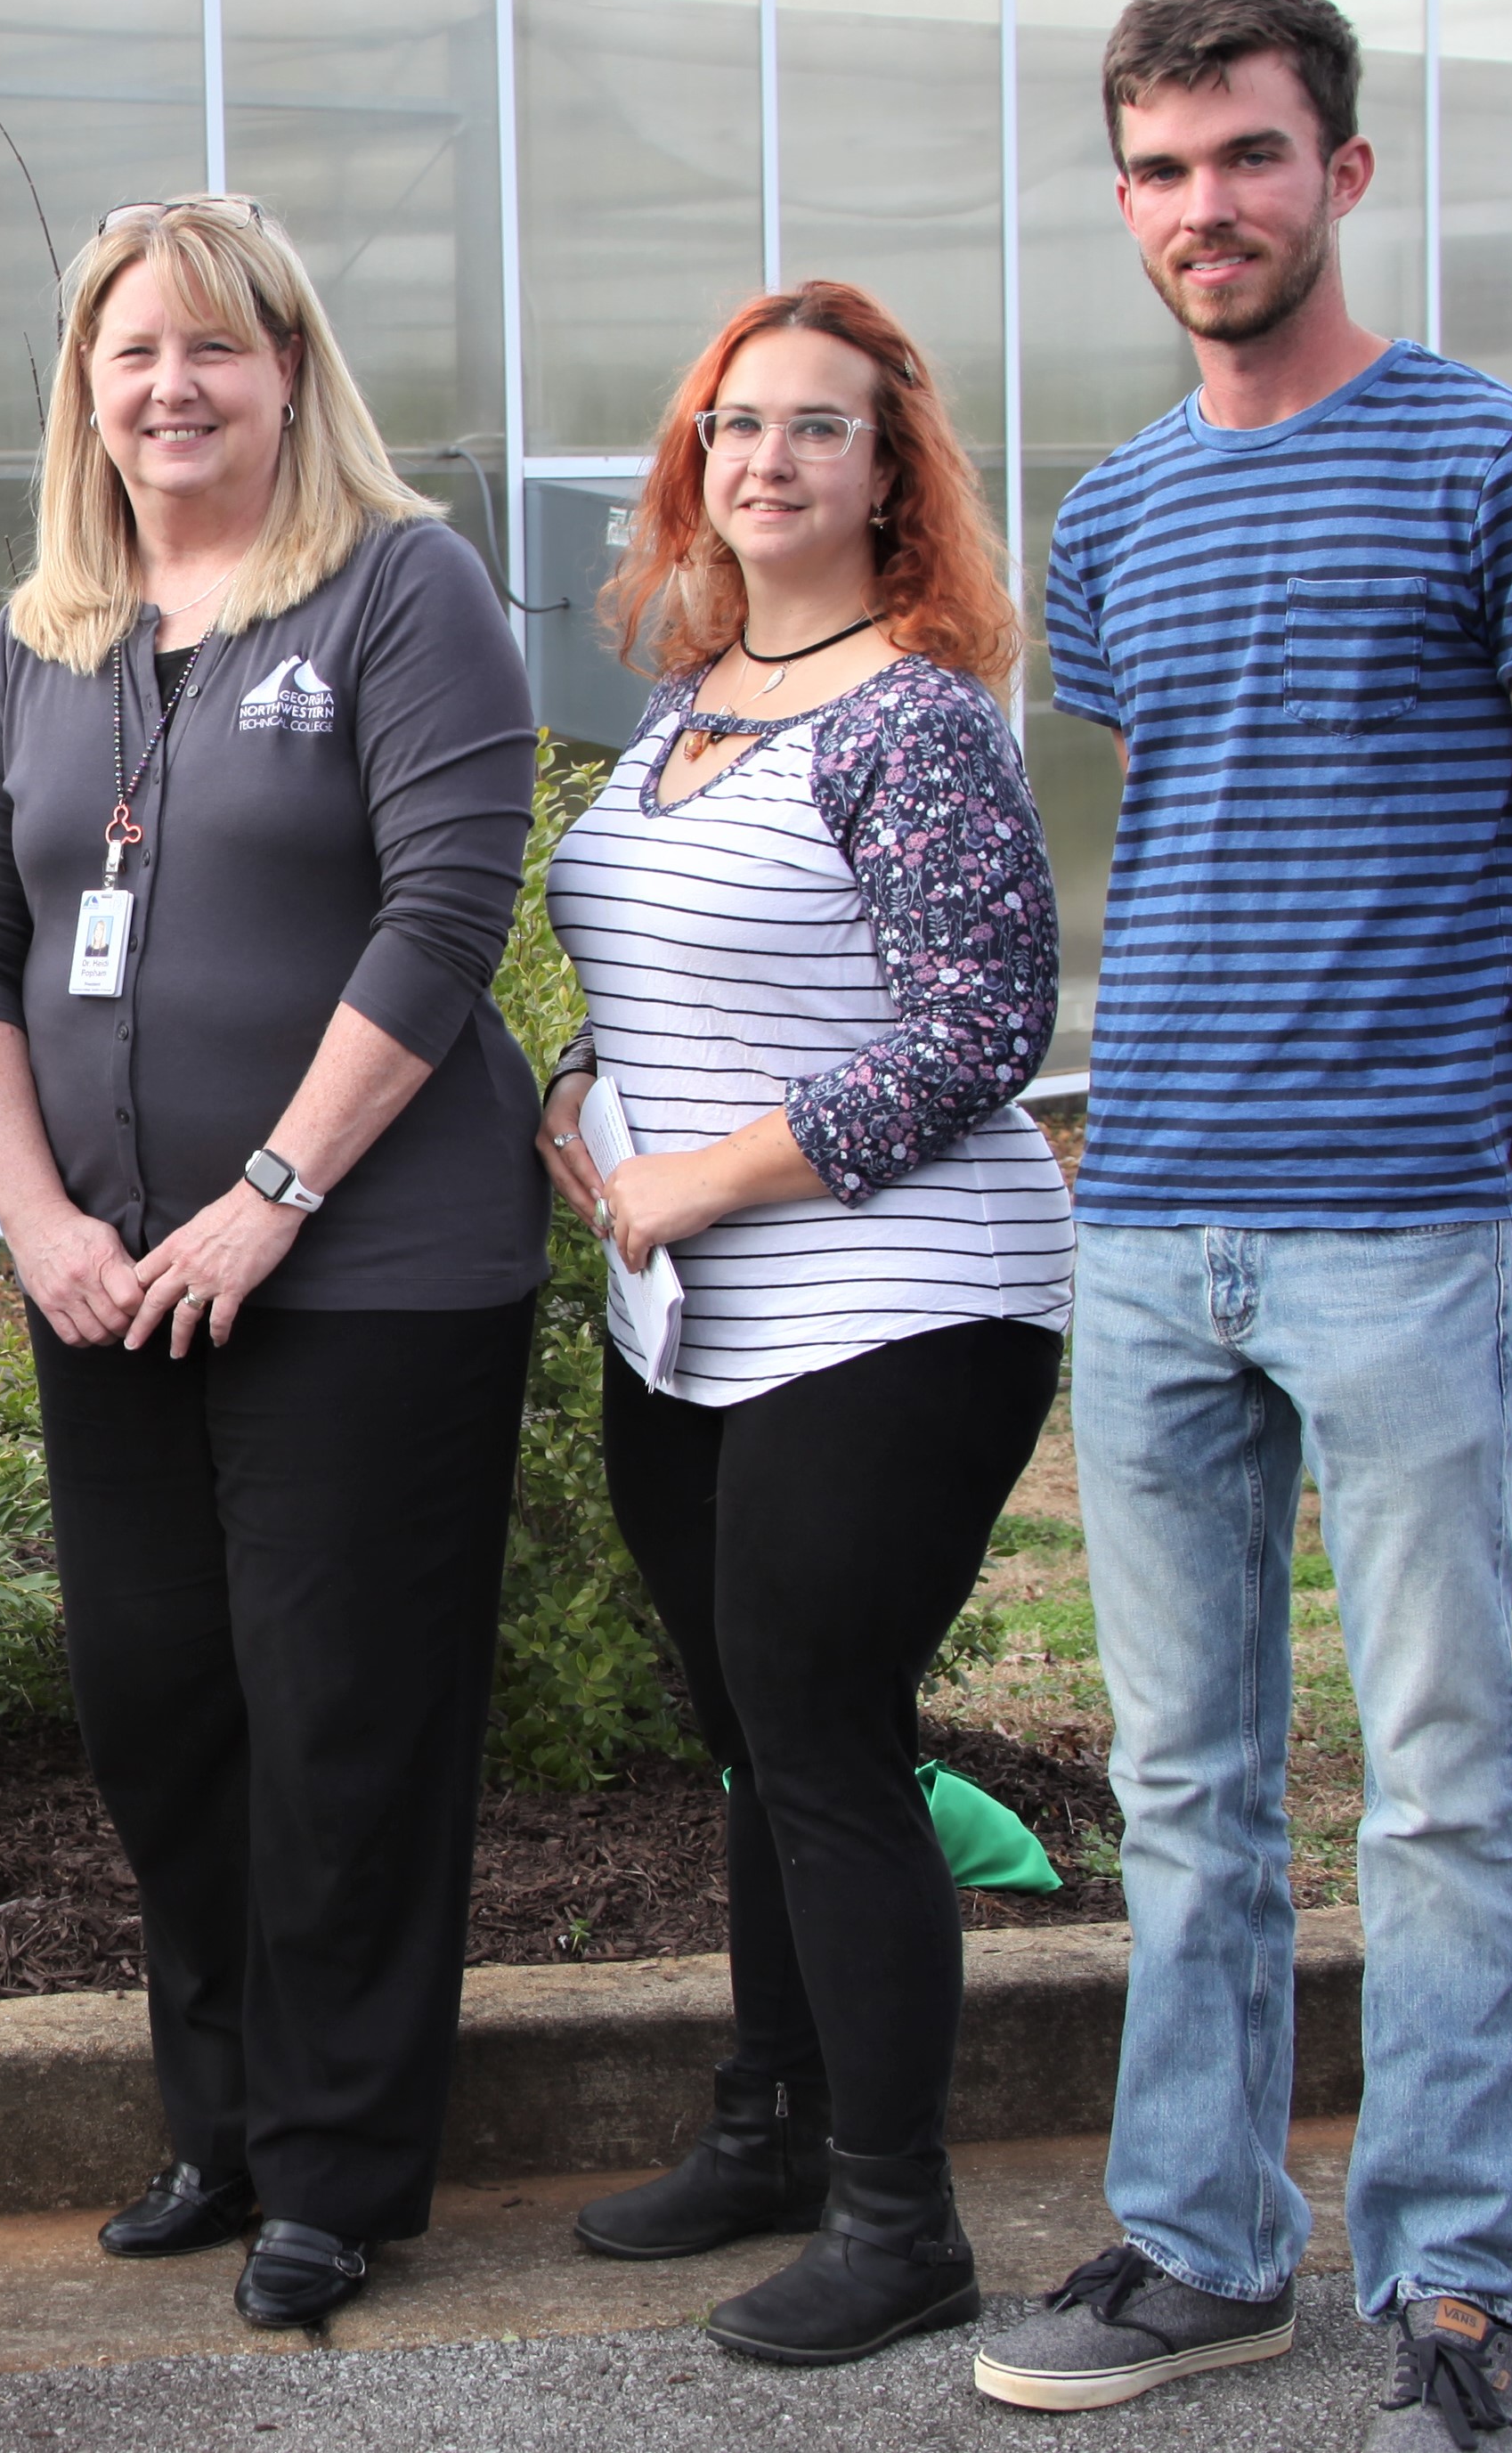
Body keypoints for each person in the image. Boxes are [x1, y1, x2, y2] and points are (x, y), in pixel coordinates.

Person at [967, 0, 1512, 2451]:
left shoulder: (1503, 461)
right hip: (1148, 1213)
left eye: (1246, 159)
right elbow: (1196, 836)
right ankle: (1202, 2243)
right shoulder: (1117, 512)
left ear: (1340, 174)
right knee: (1186, 1786)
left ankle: (1459, 2297)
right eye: (1158, 171)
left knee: (1448, 1781)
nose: (1202, 211)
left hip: (1394, 1222)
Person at [0, 198, 545, 2334]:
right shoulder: (41, 636)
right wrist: (40, 1225)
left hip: (369, 1271)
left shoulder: (396, 588)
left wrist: (269, 1189)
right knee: (161, 1702)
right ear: (81, 393)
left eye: (212, 349)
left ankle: (343, 2166)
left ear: (291, 372)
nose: (166, 386)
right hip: (106, 1283)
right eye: (125, 354)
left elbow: (446, 913)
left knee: (341, 1714)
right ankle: (223, 2117)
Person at [535, 281, 1070, 2365]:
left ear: (885, 474)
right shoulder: (687, 704)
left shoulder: (912, 715)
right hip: (689, 1312)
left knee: (823, 1731)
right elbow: (677, 969)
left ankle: (897, 2213)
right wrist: (583, 1093)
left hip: (902, 1296)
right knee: (749, 1732)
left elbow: (973, 1033)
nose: (764, 458)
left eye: (815, 428)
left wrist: (702, 1171)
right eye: (731, 423)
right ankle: (764, 2123)